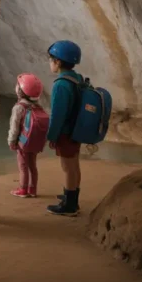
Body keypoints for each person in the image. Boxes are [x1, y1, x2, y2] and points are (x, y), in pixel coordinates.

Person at [45, 40, 84, 216]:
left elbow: (58, 115)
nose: (50, 62)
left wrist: (52, 136)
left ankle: (70, 206)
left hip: (66, 133)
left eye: (51, 59)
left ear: (58, 62)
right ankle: (72, 195)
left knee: (67, 168)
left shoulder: (61, 84)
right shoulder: (76, 78)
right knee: (74, 165)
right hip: (77, 130)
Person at [8, 73, 48, 198]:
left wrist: (12, 141)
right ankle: (33, 189)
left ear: (21, 90)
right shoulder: (38, 107)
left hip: (23, 142)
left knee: (23, 166)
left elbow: (14, 127)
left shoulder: (19, 107)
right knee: (33, 166)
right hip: (34, 142)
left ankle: (23, 189)